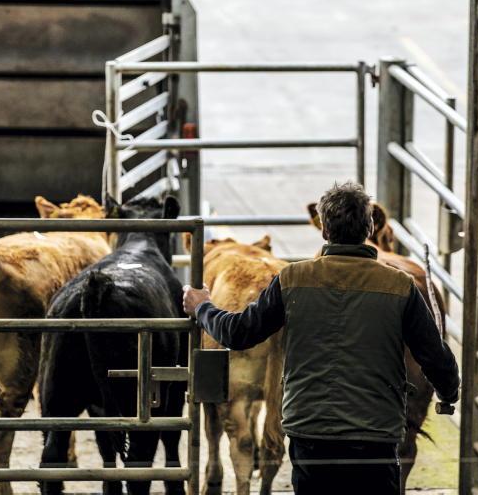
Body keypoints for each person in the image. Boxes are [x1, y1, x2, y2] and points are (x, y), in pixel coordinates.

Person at [183, 182, 459, 494]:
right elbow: (436, 357)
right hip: (375, 435)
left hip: (311, 433)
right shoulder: (401, 286)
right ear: (370, 227)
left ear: (324, 229)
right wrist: (449, 393)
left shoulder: (292, 279)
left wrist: (203, 307)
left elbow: (239, 332)